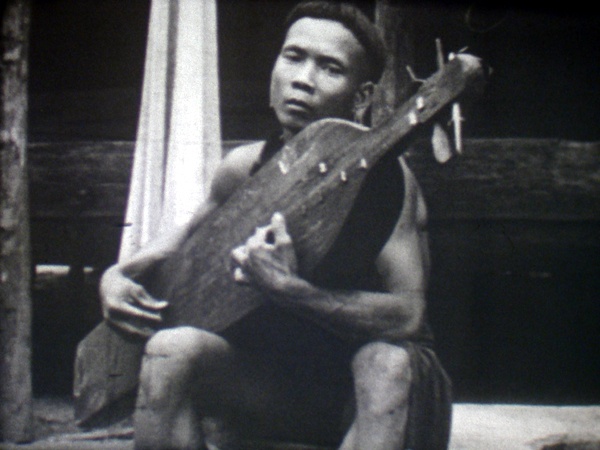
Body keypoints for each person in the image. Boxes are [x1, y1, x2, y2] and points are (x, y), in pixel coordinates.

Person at [100, 2, 452, 449]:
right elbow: (185, 240)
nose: (303, 79)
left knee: (385, 362)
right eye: (293, 57)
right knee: (171, 351)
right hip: (278, 386)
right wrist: (117, 275)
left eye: (330, 68)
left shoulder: (385, 182)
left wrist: (289, 289)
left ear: (362, 97)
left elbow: (407, 316)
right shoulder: (243, 168)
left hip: (370, 393)